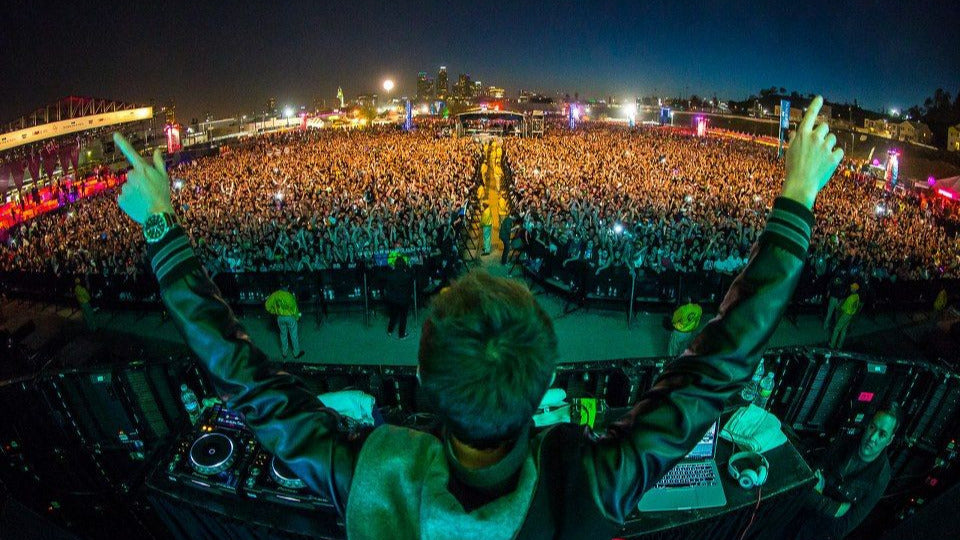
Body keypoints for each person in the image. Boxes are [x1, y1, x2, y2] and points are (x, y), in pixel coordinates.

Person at [111, 94, 842, 538]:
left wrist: (162, 229)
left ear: (422, 376)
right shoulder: (589, 484)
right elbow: (717, 371)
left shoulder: (376, 475)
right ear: (546, 382)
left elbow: (243, 381)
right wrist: (797, 199)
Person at [788, 406, 898, 540]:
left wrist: (818, 494)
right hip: (799, 513)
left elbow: (846, 525)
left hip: (820, 531)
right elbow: (807, 484)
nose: (873, 437)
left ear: (889, 440)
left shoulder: (881, 477)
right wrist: (834, 508)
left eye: (882, 434)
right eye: (872, 427)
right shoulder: (844, 441)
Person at [265, 283, 304, 359]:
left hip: (280, 317)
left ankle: (284, 353)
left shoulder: (275, 295)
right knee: (293, 335)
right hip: (290, 318)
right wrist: (297, 318)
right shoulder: (290, 296)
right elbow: (294, 310)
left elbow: (267, 305)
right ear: (288, 286)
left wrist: (274, 311)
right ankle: (296, 353)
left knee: (283, 334)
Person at [384, 256, 414, 339]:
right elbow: (410, 287)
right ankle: (401, 334)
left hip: (393, 299)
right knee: (403, 318)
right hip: (404, 299)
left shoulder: (391, 275)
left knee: (393, 316)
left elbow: (388, 288)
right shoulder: (407, 276)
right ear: (404, 265)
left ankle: (390, 330)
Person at [829, 283, 861, 349]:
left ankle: (832, 345)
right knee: (844, 330)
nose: (851, 288)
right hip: (851, 315)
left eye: (852, 288)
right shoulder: (857, 296)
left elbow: (843, 308)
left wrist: (838, 307)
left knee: (836, 329)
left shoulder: (850, 298)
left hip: (846, 315)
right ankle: (839, 345)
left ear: (855, 289)